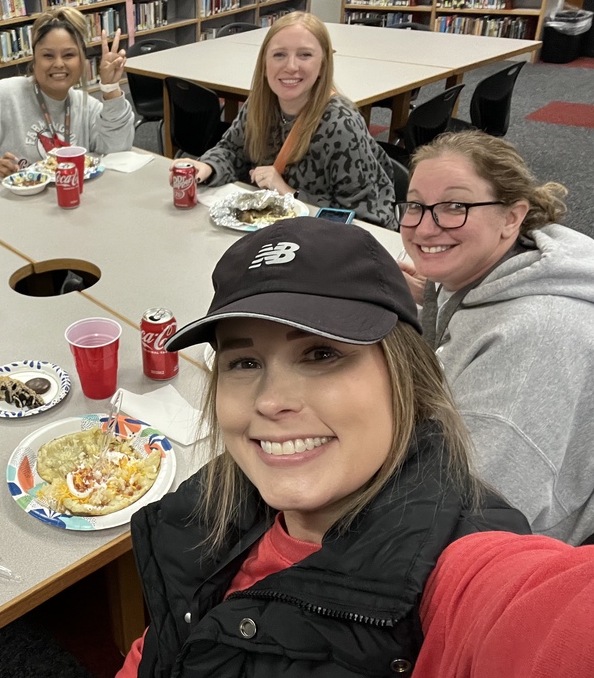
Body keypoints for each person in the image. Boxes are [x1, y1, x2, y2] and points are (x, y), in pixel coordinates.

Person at [118, 217, 594, 678]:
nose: (271, 401)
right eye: (244, 362)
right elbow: (164, 639)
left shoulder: (464, 577)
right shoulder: (215, 501)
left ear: (406, 377)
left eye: (321, 354)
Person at [397, 130, 594, 545]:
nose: (425, 227)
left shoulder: (532, 344)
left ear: (511, 216)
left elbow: (468, 519)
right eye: (415, 205)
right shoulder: (491, 268)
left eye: (455, 206)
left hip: (506, 544)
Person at [175, 11, 397, 229]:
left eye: (305, 55)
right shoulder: (260, 105)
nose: (291, 66)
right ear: (264, 63)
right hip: (276, 233)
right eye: (279, 55)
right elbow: (232, 152)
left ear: (323, 65)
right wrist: (207, 167)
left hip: (325, 245)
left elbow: (365, 220)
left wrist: (289, 193)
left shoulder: (341, 124)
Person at [0, 6, 135, 183]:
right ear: (34, 60)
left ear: (82, 61)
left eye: (69, 55)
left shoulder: (88, 107)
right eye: (48, 56)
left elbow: (117, 152)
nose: (59, 64)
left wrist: (110, 88)